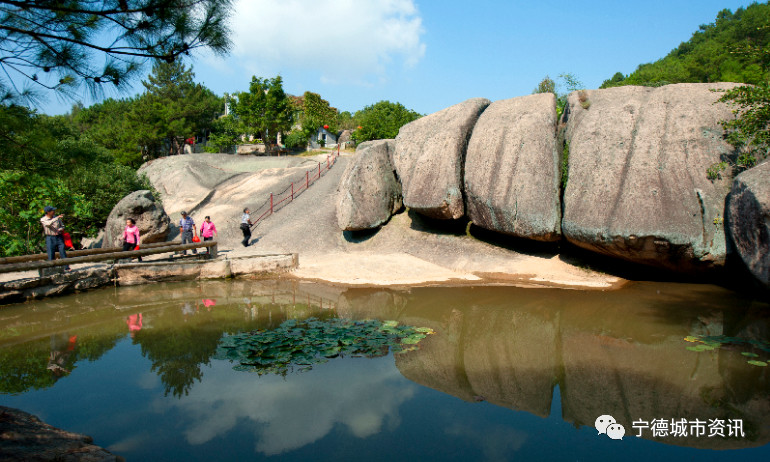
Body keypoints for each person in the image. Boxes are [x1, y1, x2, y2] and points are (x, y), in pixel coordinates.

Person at [40, 205, 70, 270]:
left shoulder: (57, 218)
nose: (54, 211)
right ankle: (52, 269)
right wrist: (56, 218)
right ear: (48, 212)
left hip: (59, 237)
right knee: (51, 253)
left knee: (62, 251)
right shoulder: (43, 219)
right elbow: (48, 224)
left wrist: (61, 229)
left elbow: (62, 226)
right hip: (50, 238)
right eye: (52, 210)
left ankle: (66, 267)